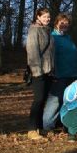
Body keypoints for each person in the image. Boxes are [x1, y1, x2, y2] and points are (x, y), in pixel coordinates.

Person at [43, 14, 77, 131]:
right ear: (56, 23)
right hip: (58, 75)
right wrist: (52, 72)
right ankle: (47, 126)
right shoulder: (52, 37)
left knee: (68, 101)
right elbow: (48, 56)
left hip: (72, 75)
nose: (64, 25)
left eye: (66, 23)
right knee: (54, 101)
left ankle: (63, 124)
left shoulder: (68, 38)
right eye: (62, 22)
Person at [26, 8, 55, 140]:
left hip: (48, 71)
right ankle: (31, 129)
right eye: (44, 17)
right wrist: (37, 71)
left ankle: (38, 128)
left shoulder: (49, 31)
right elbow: (32, 51)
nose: (47, 19)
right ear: (38, 17)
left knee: (43, 100)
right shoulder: (34, 30)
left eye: (48, 17)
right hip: (38, 71)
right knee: (38, 100)